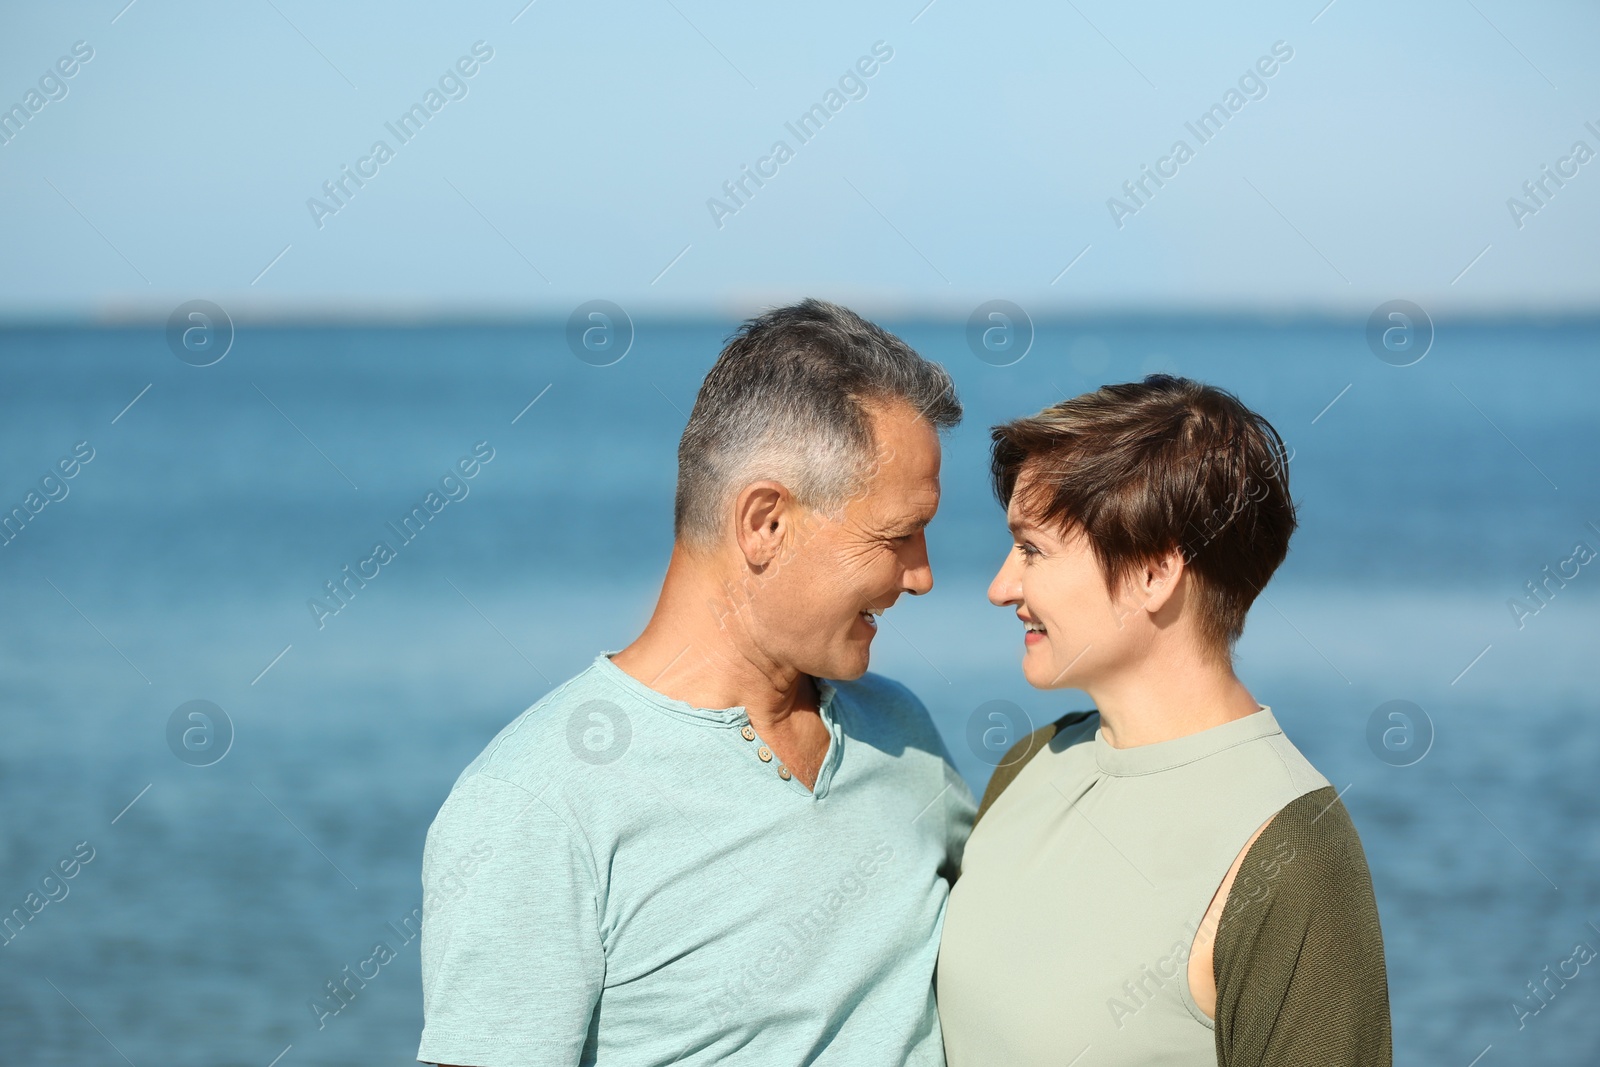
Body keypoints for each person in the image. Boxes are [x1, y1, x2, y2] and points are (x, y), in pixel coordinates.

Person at [418, 299, 975, 1066]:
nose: (922, 576)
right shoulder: (537, 802)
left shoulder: (902, 732)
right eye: (896, 536)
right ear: (765, 523)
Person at [936, 375, 1391, 1066]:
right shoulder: (1030, 763)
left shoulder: (1292, 850)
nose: (1002, 587)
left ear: (1154, 569)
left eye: (1032, 549)